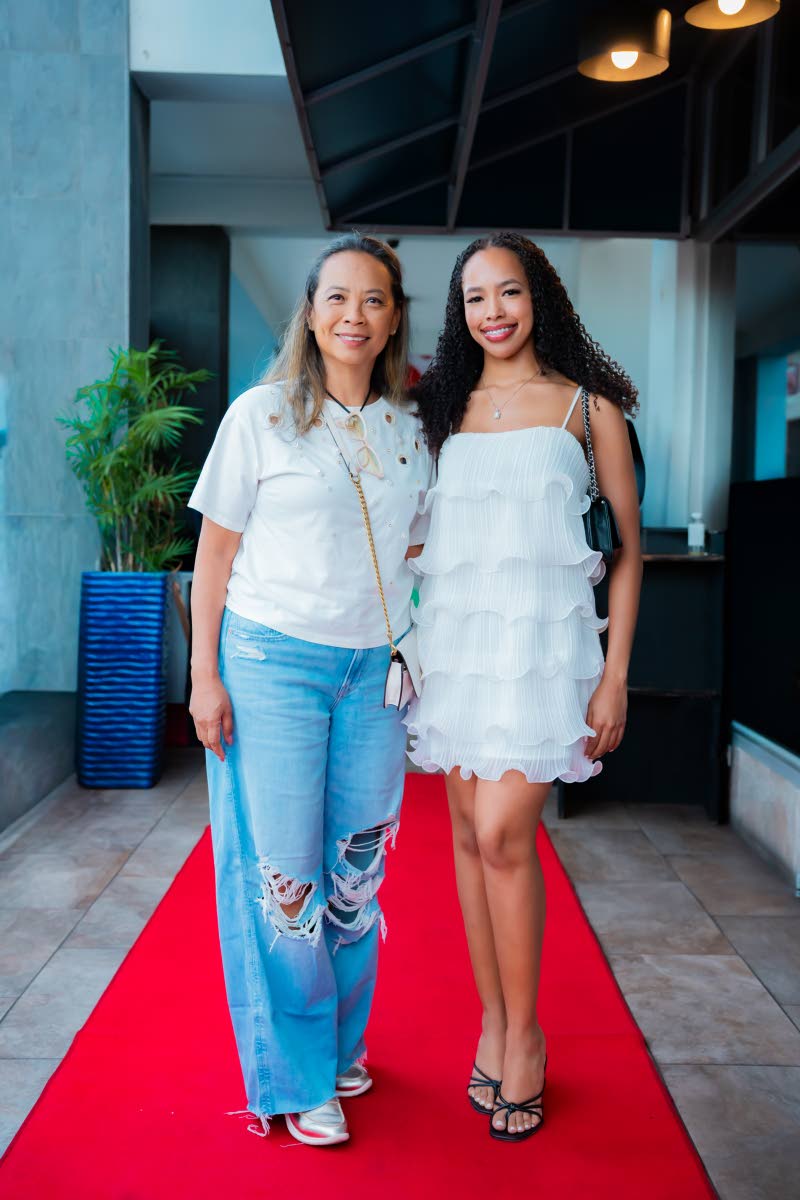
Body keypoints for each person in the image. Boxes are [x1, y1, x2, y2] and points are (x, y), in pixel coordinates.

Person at [188, 233, 431, 1146]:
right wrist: (203, 676)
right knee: (283, 880)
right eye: (337, 298)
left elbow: (417, 551)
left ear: (394, 316)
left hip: (375, 673)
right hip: (270, 664)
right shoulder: (260, 417)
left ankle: (337, 1048)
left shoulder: (410, 432)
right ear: (310, 310)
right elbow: (214, 554)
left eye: (373, 301)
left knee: (353, 880)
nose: (353, 317)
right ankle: (294, 1079)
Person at [408, 232, 642, 1142]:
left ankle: (530, 1037)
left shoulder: (591, 411)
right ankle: (494, 1023)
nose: (493, 311)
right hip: (460, 645)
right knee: (469, 838)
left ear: (539, 296)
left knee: (507, 834)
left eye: (509, 291)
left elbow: (626, 553)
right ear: (460, 312)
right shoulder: (443, 406)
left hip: (546, 654)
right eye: (475, 297)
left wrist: (615, 675)